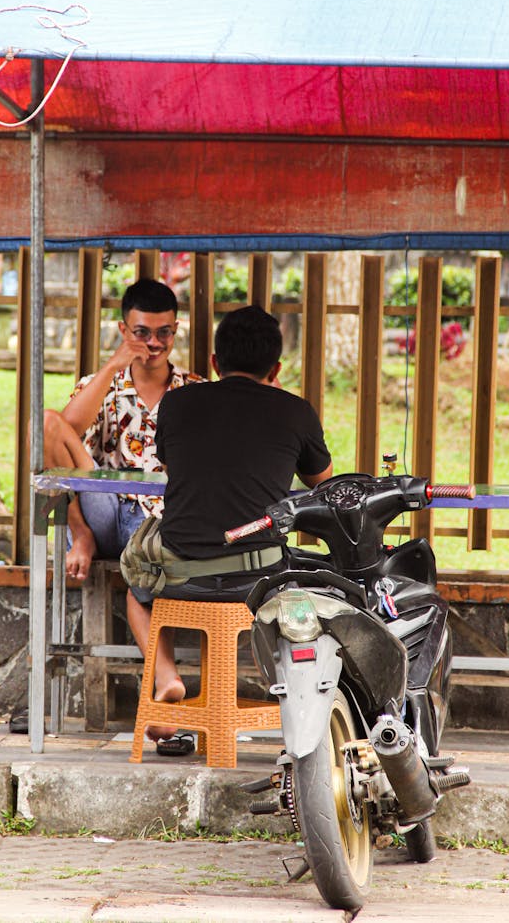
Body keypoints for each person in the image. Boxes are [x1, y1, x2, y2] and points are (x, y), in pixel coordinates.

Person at [121, 304, 333, 742]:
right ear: (275, 368)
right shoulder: (296, 411)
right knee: (316, 575)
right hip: (262, 581)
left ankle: (166, 680)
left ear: (215, 363)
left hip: (181, 576)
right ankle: (300, 705)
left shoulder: (177, 404)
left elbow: (169, 460)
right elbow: (321, 486)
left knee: (136, 590)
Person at [43, 278, 203, 580]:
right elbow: (62, 431)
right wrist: (111, 368)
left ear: (176, 330)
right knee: (46, 422)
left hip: (161, 521)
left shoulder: (196, 390)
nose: (153, 343)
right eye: (141, 332)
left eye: (163, 332)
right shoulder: (102, 383)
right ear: (123, 331)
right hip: (100, 512)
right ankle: (80, 537)